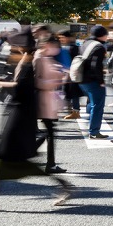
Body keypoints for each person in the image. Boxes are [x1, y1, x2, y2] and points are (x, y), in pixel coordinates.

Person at [0, 30, 74, 212]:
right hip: (21, 113)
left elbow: (22, 88)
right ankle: (62, 184)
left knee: (2, 158)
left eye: (14, 45)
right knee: (13, 160)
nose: (11, 48)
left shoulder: (28, 61)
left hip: (20, 114)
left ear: (22, 46)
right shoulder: (27, 60)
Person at [34, 35, 67, 174]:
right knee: (49, 132)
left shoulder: (45, 57)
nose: (56, 49)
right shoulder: (38, 58)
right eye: (54, 45)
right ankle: (49, 163)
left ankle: (50, 163)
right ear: (47, 44)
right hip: (41, 99)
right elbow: (35, 81)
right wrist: (53, 82)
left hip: (47, 99)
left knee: (50, 132)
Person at [75, 24, 109, 138]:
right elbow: (95, 66)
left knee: (92, 102)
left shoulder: (85, 43)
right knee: (97, 105)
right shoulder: (98, 47)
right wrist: (101, 81)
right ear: (102, 35)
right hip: (92, 80)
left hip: (81, 78)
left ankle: (92, 126)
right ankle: (94, 132)